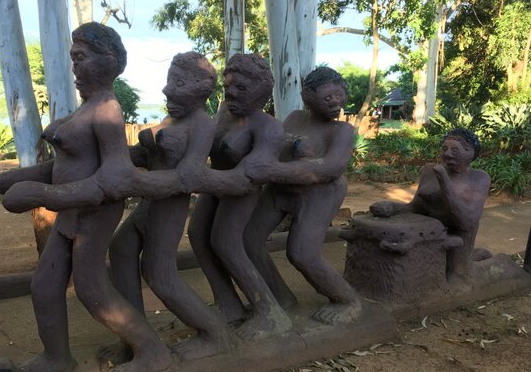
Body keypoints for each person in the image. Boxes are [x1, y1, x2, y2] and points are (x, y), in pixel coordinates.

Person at [0, 22, 179, 372]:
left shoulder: (107, 110)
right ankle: (57, 358)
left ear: (107, 61)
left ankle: (153, 352)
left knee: (92, 289)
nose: (74, 65)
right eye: (73, 57)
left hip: (93, 214)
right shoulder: (85, 108)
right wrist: (18, 178)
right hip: (71, 212)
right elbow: (66, 164)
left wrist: (42, 194)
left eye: (81, 57)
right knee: (45, 285)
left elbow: (113, 180)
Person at [105, 52, 236, 363]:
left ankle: (216, 334)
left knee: (159, 273)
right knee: (121, 249)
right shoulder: (171, 120)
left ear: (202, 90)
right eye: (169, 81)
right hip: (148, 205)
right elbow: (141, 156)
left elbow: (188, 176)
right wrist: (108, 148)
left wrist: (134, 182)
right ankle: (135, 338)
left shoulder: (201, 125)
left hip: (168, 210)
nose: (167, 90)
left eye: (178, 83)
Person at [243, 67, 362, 325]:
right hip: (280, 189)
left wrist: (273, 170)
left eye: (340, 95)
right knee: (248, 241)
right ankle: (280, 296)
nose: (336, 103)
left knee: (301, 253)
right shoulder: (295, 118)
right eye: (328, 97)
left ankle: (346, 300)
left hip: (319, 194)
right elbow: (272, 147)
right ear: (307, 96)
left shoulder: (341, 130)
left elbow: (331, 168)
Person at [187, 53, 292, 340]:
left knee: (225, 242)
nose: (231, 92)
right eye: (228, 86)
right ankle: (228, 304)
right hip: (215, 185)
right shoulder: (223, 113)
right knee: (197, 234)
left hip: (240, 191)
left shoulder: (268, 127)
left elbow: (249, 175)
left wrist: (196, 178)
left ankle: (270, 313)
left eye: (241, 88)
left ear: (261, 91)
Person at [369, 128, 490, 279]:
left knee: (455, 278)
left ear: (470, 153)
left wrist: (444, 182)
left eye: (455, 150)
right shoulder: (429, 171)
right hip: (429, 233)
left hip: (458, 241)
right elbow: (416, 207)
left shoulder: (479, 178)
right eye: (444, 148)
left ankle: (481, 257)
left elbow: (467, 223)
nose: (447, 154)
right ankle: (480, 254)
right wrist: (393, 207)